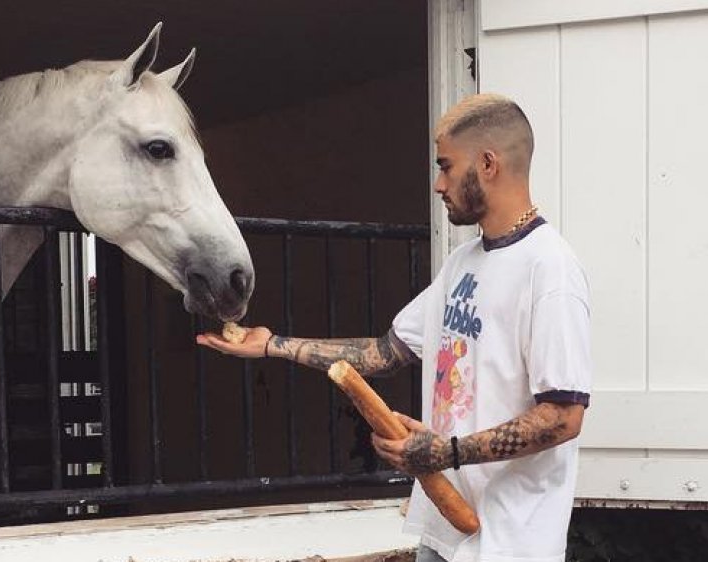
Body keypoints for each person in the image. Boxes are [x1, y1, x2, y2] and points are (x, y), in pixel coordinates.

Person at [196, 93, 591, 562]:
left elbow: (563, 416)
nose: (438, 184)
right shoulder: (463, 264)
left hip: (511, 543)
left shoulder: (550, 270)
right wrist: (273, 345)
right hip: (446, 535)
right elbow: (384, 352)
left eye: (446, 166)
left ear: (488, 163)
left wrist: (446, 453)